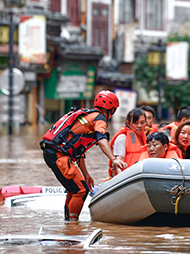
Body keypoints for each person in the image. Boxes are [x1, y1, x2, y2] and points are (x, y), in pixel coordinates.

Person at [40, 90, 127, 221]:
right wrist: (113, 159)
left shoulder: (87, 116)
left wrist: (86, 174)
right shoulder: (99, 119)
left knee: (74, 189)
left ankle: (68, 223)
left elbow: (79, 152)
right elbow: (102, 140)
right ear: (111, 109)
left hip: (53, 153)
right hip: (59, 155)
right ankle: (73, 226)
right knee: (81, 191)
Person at [109, 108, 147, 177]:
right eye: (136, 123)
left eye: (142, 123)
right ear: (128, 123)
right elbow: (119, 162)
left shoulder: (143, 137)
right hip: (126, 175)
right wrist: (120, 179)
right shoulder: (122, 138)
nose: (139, 126)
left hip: (139, 174)